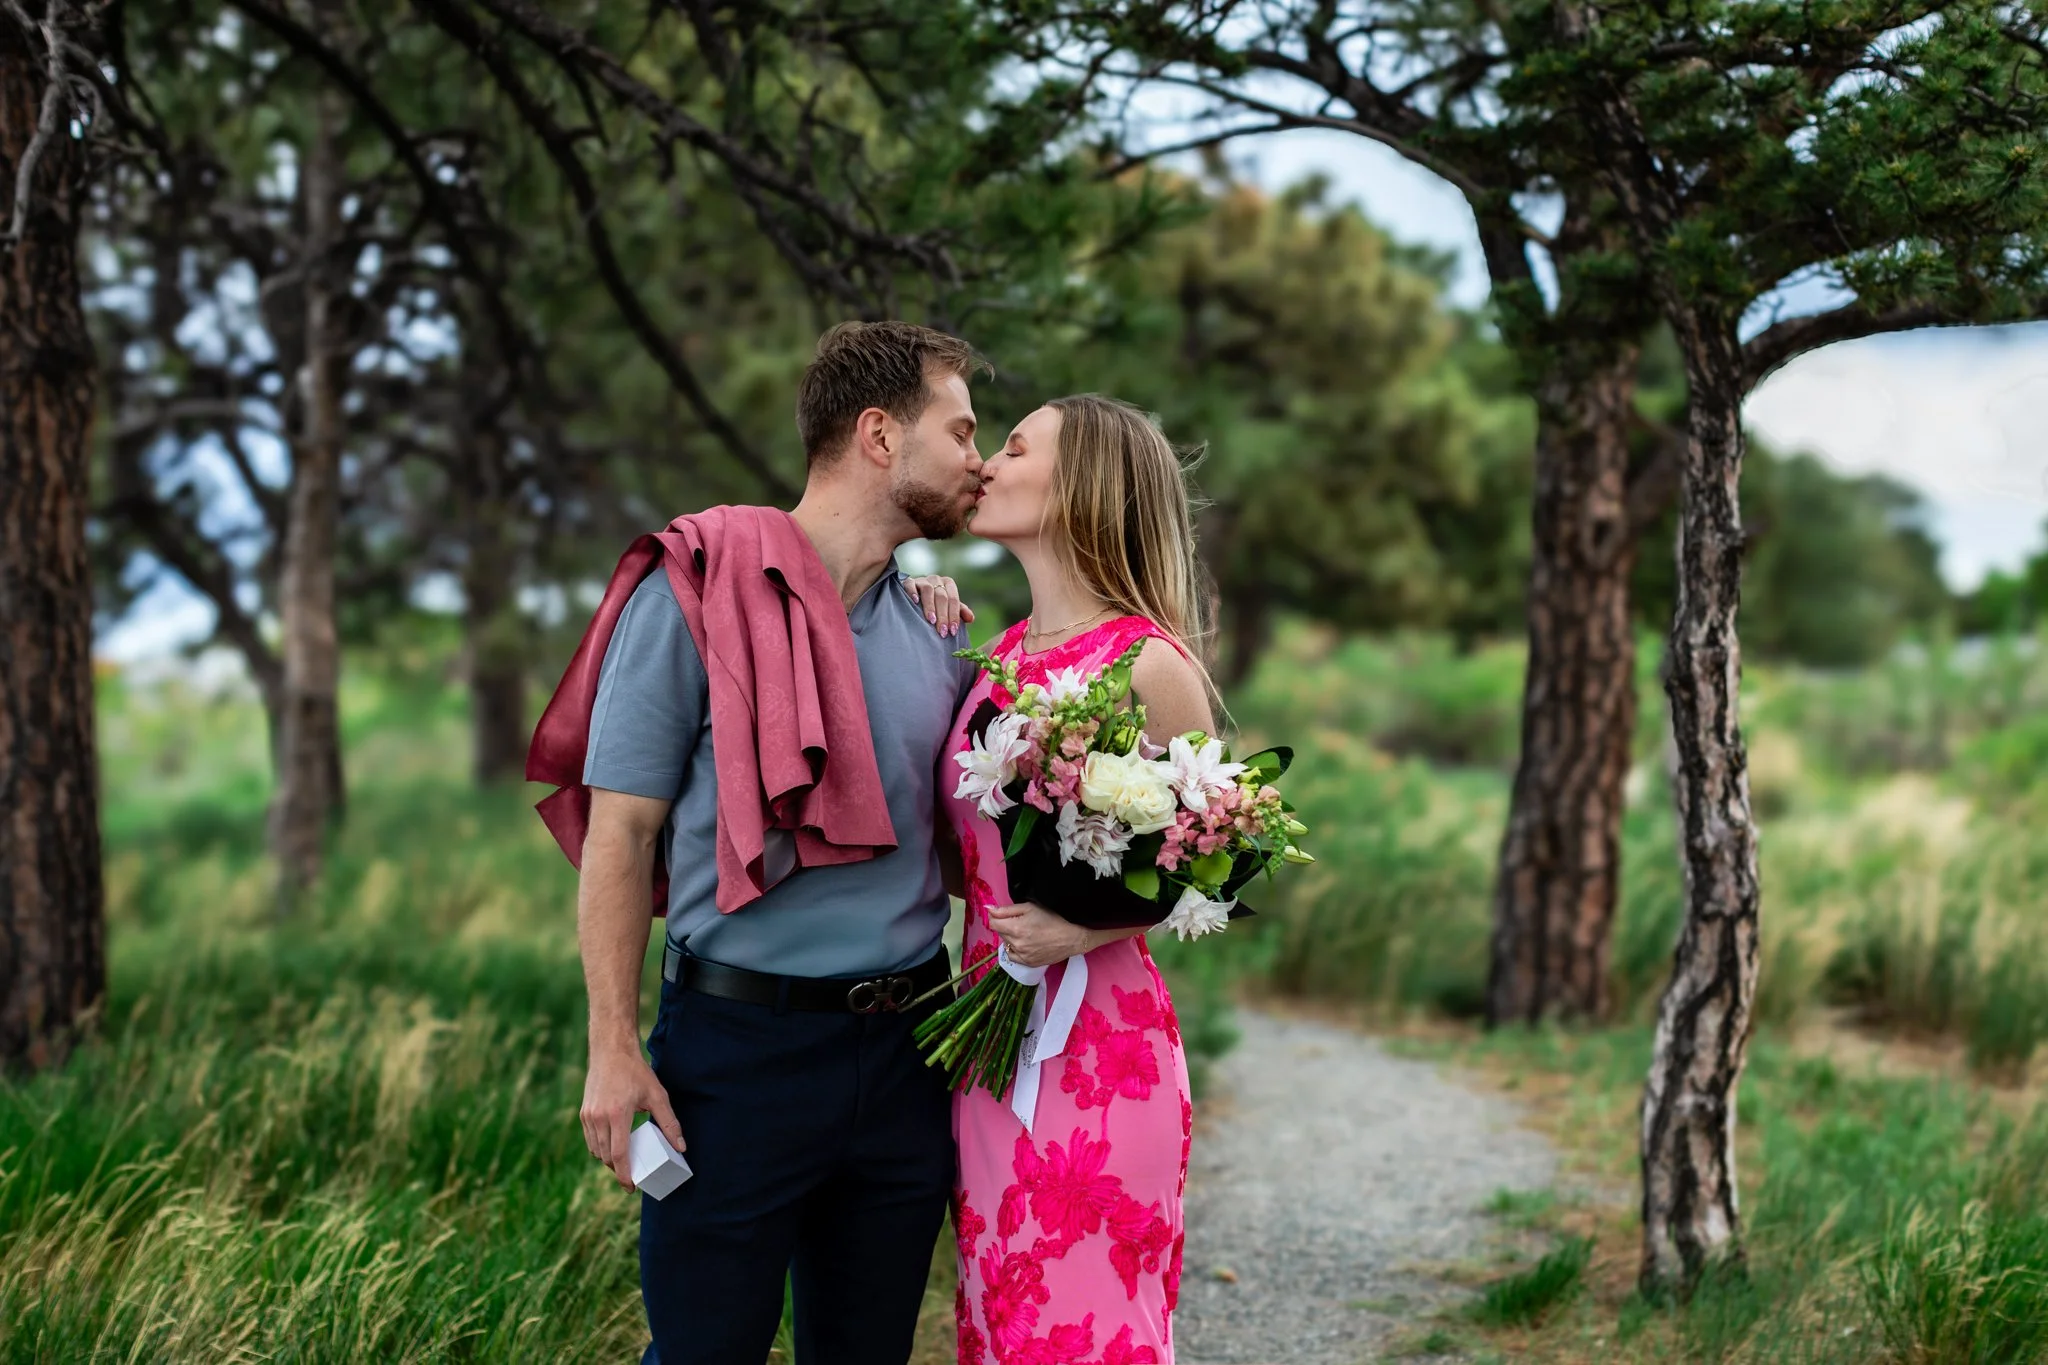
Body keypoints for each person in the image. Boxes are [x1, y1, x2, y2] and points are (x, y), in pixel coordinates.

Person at [557, 321, 987, 1364]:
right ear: (880, 435)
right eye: (962, 430)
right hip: (733, 1059)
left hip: (903, 1055)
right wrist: (611, 1049)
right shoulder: (692, 596)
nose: (979, 460)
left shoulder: (940, 637)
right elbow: (620, 833)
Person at [943, 395, 1215, 1363]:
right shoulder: (992, 659)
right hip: (985, 1031)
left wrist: (1085, 931)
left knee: (1083, 1323)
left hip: (1099, 1037)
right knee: (999, 1305)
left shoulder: (1148, 663)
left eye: (1012, 448)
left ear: (1080, 487)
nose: (986, 463)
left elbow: (1207, 857)